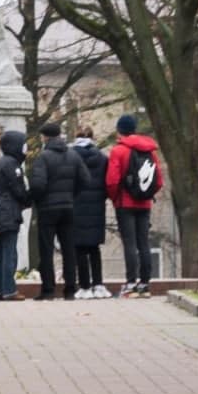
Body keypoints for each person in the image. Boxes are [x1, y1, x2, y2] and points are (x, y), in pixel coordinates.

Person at [28, 121, 89, 300]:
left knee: (46, 250)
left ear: (45, 137)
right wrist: (71, 195)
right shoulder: (73, 155)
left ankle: (48, 290)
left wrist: (36, 199)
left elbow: (39, 185)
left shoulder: (43, 157)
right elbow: (85, 180)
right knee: (69, 249)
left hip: (48, 209)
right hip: (68, 208)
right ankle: (70, 289)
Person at [105, 114, 163, 297]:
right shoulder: (150, 151)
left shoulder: (118, 151)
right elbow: (159, 180)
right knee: (144, 243)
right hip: (144, 203)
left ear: (119, 130)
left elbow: (112, 181)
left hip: (125, 202)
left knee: (130, 243)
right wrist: (148, 194)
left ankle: (131, 283)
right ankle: (145, 284)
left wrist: (115, 198)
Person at [0, 129, 31, 301]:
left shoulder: (3, 162)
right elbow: (18, 190)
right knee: (9, 252)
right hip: (8, 211)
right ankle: (9, 290)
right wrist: (30, 198)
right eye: (23, 145)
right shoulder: (12, 165)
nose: (25, 149)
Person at [71, 126, 111, 299]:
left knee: (79, 248)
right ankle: (99, 284)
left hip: (76, 206)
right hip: (96, 207)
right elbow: (108, 182)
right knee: (94, 248)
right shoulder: (102, 158)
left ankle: (84, 286)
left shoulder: (70, 156)